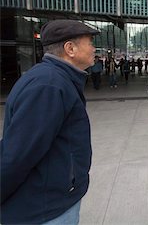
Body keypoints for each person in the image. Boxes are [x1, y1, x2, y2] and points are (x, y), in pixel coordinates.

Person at [1, 20, 100, 224]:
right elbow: (18, 155)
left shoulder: (56, 79)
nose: (94, 48)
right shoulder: (48, 86)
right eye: (90, 42)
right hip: (44, 209)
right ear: (70, 48)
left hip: (53, 198)